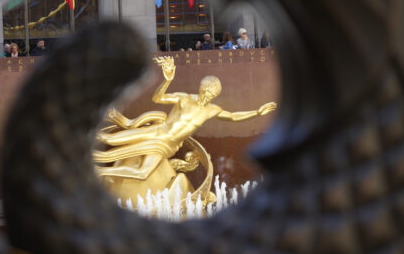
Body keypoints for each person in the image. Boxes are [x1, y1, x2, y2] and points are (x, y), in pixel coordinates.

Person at [94, 56, 276, 180]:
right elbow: (158, 98)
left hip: (168, 146)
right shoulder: (185, 98)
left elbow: (234, 117)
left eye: (211, 93)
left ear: (215, 94)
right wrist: (167, 80)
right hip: (157, 132)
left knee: (142, 173)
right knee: (107, 138)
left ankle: (99, 172)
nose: (207, 95)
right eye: (206, 90)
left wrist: (258, 112)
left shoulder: (212, 110)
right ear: (202, 88)